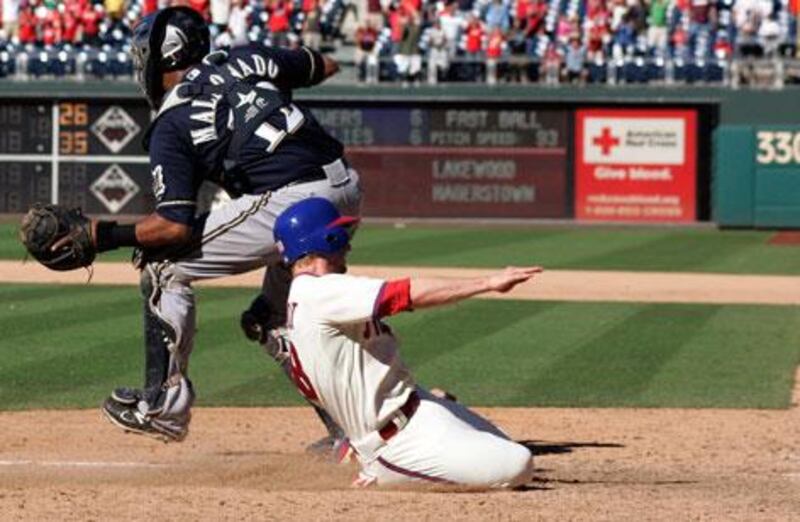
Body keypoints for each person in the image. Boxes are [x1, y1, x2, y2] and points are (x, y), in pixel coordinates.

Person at [96, 7, 361, 444]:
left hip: (294, 196)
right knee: (272, 319)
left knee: (164, 269)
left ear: (163, 57)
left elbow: (174, 226)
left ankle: (164, 406)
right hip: (345, 184)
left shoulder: (172, 122)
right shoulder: (246, 57)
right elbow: (324, 64)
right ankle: (350, 432)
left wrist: (100, 236)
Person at [273, 197, 539, 488]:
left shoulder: (309, 295)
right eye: (341, 235)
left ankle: (354, 446)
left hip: (415, 407)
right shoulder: (319, 291)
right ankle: (376, 468)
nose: (347, 244)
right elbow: (404, 294)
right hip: (394, 444)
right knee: (518, 465)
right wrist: (487, 283)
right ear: (327, 238)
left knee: (499, 444)